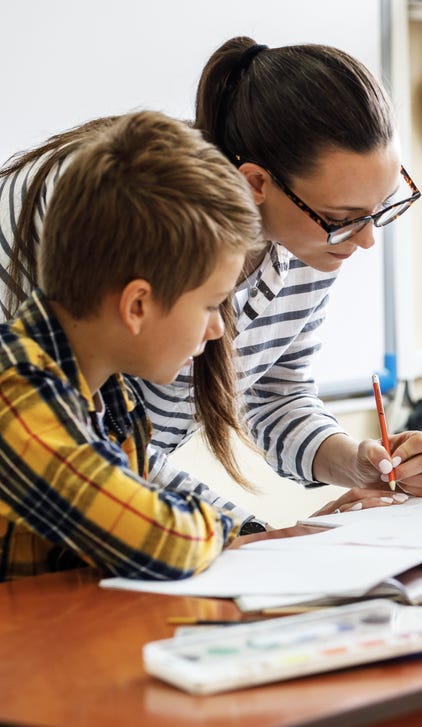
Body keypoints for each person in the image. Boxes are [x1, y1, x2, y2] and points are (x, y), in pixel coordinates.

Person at [0, 37, 422, 532]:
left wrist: (352, 461)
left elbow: (272, 393)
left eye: (380, 209)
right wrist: (253, 535)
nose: (366, 241)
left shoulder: (310, 236)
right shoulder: (117, 212)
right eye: (344, 219)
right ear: (255, 183)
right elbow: (90, 451)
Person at [0, 111, 281, 580]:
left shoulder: (112, 396)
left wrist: (259, 536)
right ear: (136, 306)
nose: (216, 331)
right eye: (212, 306)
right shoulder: (16, 398)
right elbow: (159, 538)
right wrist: (231, 531)